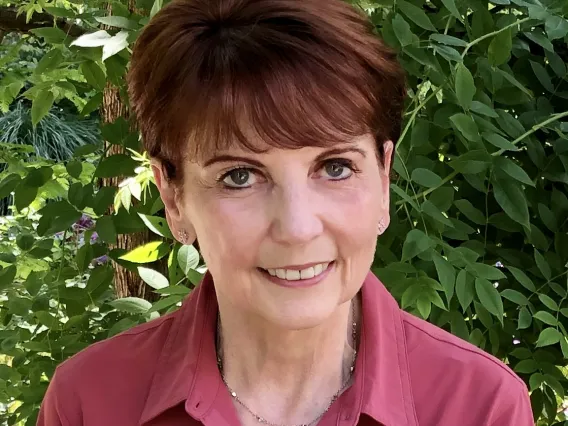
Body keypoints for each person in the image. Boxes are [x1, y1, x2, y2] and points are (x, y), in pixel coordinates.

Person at [38, 0, 534, 425]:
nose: (298, 228)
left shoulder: (480, 406)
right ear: (173, 197)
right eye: (240, 176)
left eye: (335, 167)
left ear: (383, 179)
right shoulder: (90, 402)